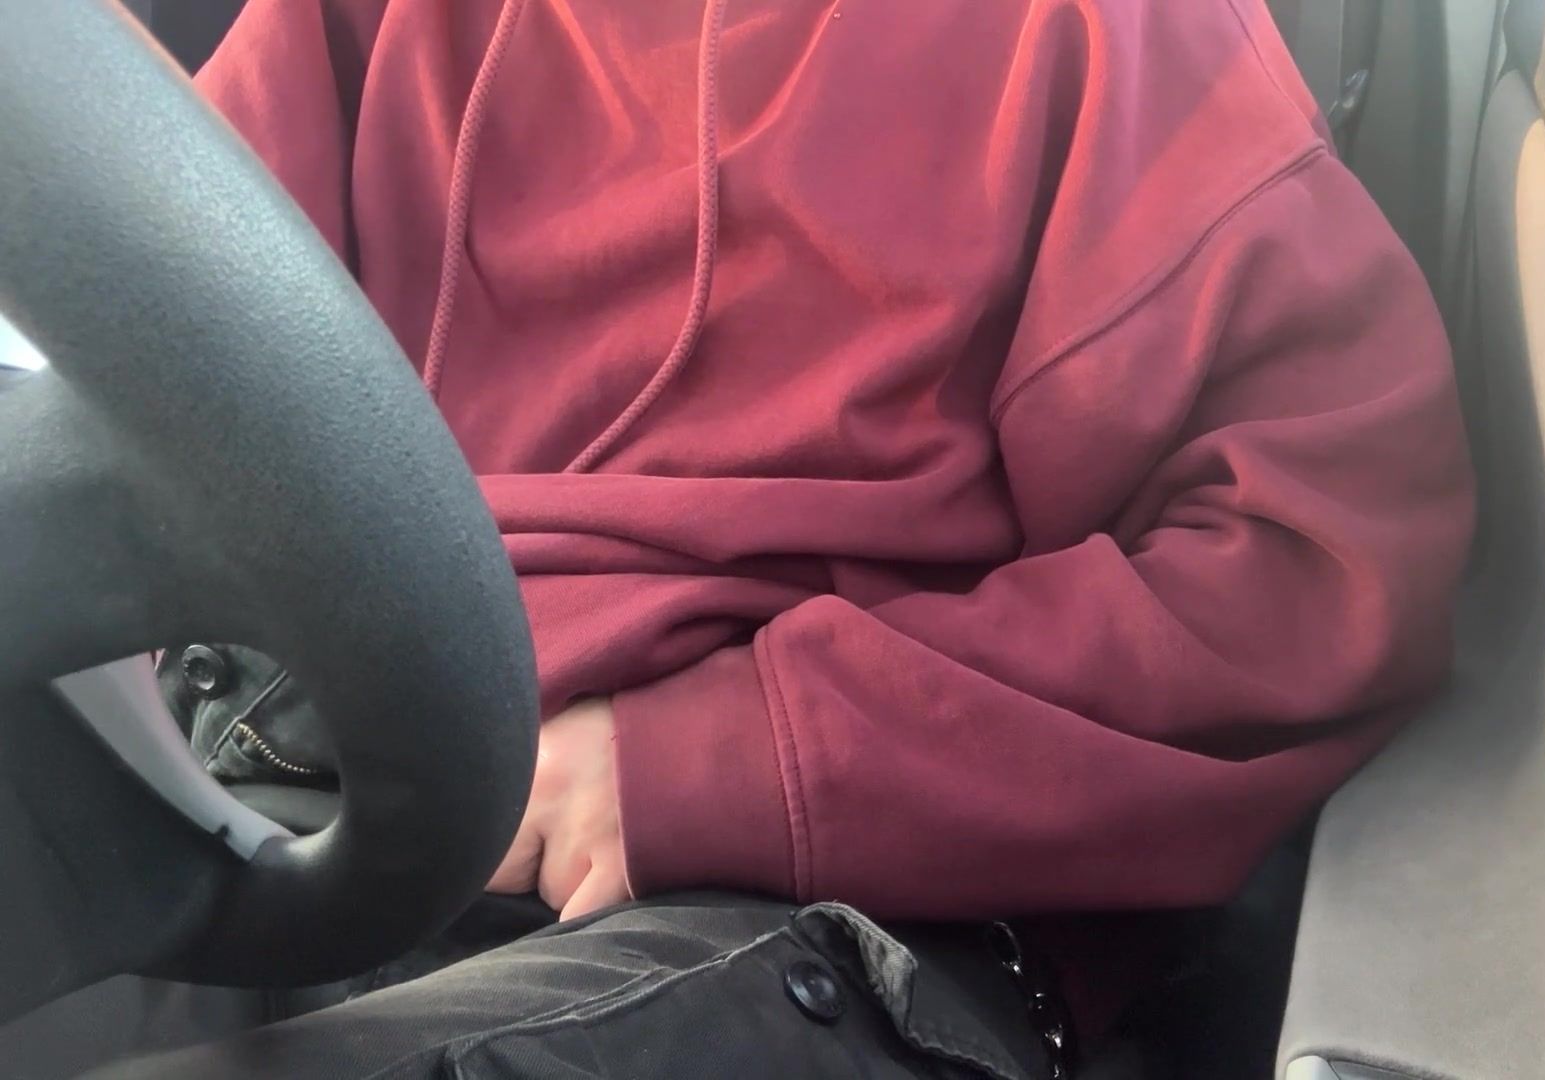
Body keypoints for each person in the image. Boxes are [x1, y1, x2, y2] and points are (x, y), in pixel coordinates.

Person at [112, 0, 1473, 1075]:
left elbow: (1318, 573)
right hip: (274, 766)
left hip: (780, 901)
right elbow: (132, 323)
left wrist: (712, 765)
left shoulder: (1107, 40)